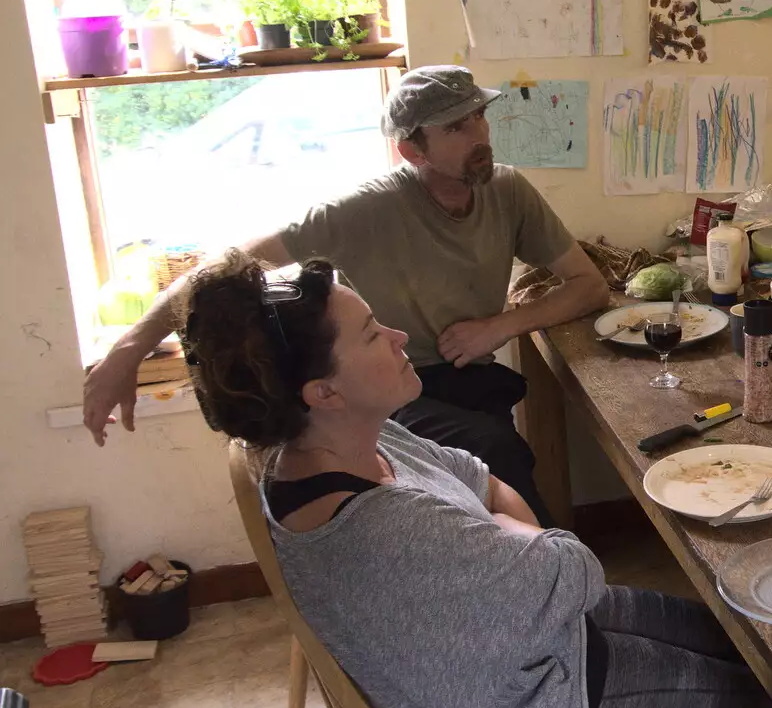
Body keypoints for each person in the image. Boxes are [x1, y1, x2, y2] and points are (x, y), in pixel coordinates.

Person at [179, 253, 772, 708]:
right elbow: (576, 571)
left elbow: (482, 479)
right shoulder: (385, 527)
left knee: (739, 640)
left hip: (525, 638)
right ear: (324, 392)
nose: (397, 337)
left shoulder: (340, 439)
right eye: (372, 334)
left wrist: (505, 537)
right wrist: (515, 539)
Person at [82, 66, 610, 525]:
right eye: (455, 126)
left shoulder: (508, 190)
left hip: (468, 379)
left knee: (498, 454)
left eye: (478, 117)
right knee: (493, 452)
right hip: (388, 386)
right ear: (411, 149)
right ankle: (551, 585)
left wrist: (501, 325)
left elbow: (589, 286)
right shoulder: (364, 210)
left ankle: (531, 579)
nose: (479, 135)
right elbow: (225, 271)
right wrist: (128, 350)